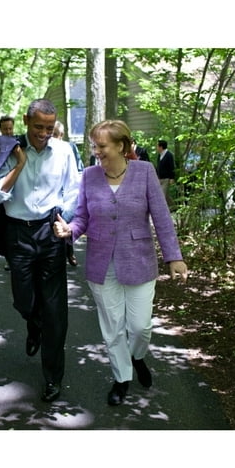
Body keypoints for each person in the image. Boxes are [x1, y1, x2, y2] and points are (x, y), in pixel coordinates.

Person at [53, 120, 188, 406]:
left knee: (140, 327)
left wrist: (174, 257)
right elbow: (82, 217)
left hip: (139, 260)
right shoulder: (89, 175)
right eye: (94, 145)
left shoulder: (145, 172)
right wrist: (70, 231)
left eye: (101, 146)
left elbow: (162, 218)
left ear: (121, 146)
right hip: (102, 264)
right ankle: (122, 377)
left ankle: (137, 357)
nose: (96, 151)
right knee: (112, 326)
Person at [0, 99, 80, 402]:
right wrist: (21, 164)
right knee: (24, 300)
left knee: (56, 310)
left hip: (50, 231)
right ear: (26, 121)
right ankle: (33, 323)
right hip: (16, 234)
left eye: (49, 128)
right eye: (38, 127)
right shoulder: (8, 149)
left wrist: (64, 215)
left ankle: (53, 377)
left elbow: (74, 190)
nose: (43, 133)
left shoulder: (65, 151)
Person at [53, 120, 83, 267]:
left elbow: (79, 169)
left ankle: (70, 252)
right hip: (54, 197)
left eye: (55, 135)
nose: (52, 138)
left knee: (67, 223)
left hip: (69, 195)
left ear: (61, 135)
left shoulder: (69, 148)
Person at [156, 139, 176, 209]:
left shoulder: (169, 155)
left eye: (157, 146)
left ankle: (162, 210)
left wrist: (172, 178)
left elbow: (171, 167)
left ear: (161, 147)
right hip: (160, 178)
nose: (156, 147)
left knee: (162, 195)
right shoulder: (159, 155)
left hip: (166, 178)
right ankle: (174, 207)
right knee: (166, 195)